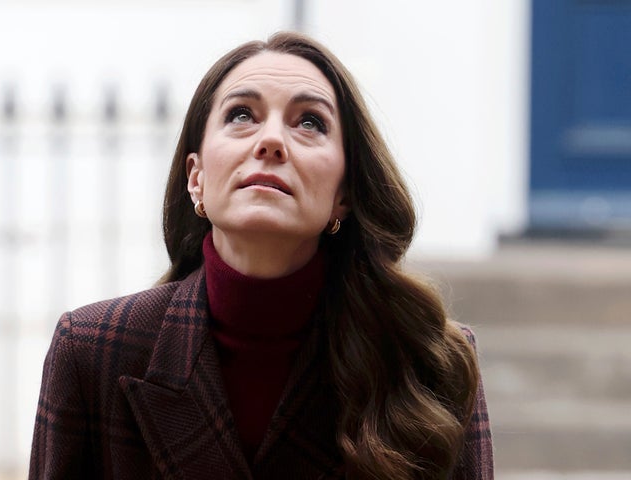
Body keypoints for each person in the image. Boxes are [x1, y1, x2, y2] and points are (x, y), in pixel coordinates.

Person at [29, 31, 493, 480]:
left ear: (343, 195)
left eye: (309, 122)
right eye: (241, 115)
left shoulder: (428, 363)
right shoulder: (93, 354)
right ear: (197, 178)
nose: (270, 141)